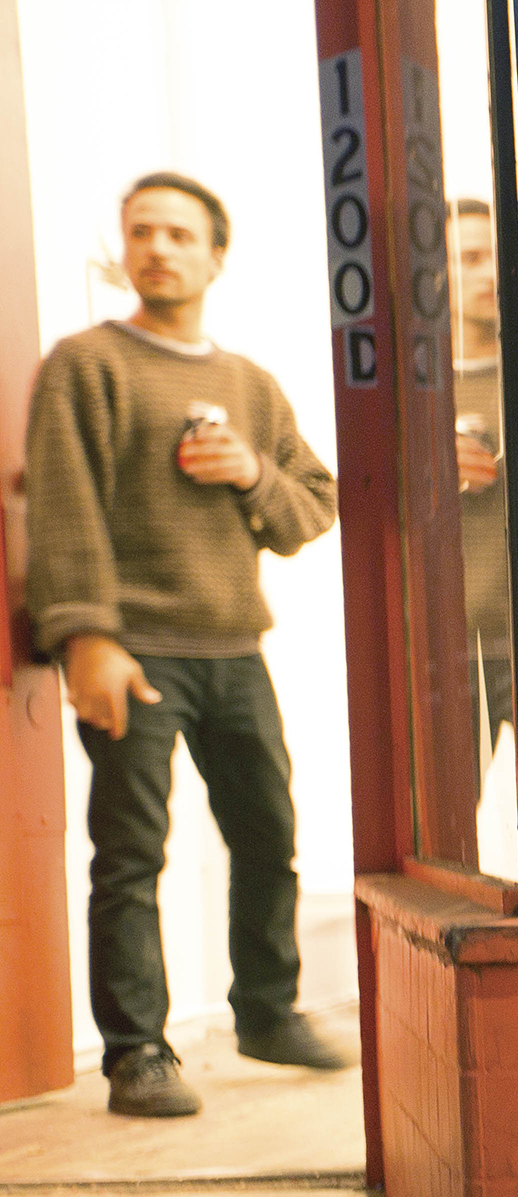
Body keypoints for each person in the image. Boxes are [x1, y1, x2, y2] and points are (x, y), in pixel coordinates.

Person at [25, 172, 346, 1117]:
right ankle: (137, 1056)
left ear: (216, 254)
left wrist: (251, 472)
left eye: (177, 234)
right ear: (125, 250)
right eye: (141, 232)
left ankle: (268, 1012)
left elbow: (310, 510)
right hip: (138, 650)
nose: (157, 248)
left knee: (269, 834)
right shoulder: (86, 364)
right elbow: (63, 506)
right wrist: (87, 639)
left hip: (235, 649)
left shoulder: (250, 386)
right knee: (131, 856)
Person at [451, 197, 514, 755]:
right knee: (448, 827)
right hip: (445, 648)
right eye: (469, 257)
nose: (491, 273)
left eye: (498, 255)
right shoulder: (407, 395)